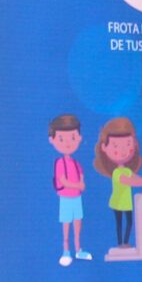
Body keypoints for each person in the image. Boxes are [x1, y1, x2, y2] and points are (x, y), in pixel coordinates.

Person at [94, 116, 142, 251]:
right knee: (120, 223)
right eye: (116, 146)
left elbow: (134, 177)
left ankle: (125, 242)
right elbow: (130, 181)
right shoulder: (117, 173)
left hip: (127, 202)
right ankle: (121, 243)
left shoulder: (126, 170)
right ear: (104, 147)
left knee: (129, 222)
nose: (123, 150)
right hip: (118, 202)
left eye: (128, 144)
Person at [48, 112, 88, 265]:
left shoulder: (76, 163)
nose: (67, 143)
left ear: (79, 138)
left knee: (78, 223)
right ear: (52, 140)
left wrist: (81, 184)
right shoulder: (59, 162)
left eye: (72, 138)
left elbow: (81, 176)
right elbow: (63, 180)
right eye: (61, 139)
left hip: (77, 198)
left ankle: (78, 250)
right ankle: (66, 251)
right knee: (66, 224)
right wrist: (78, 185)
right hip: (66, 198)